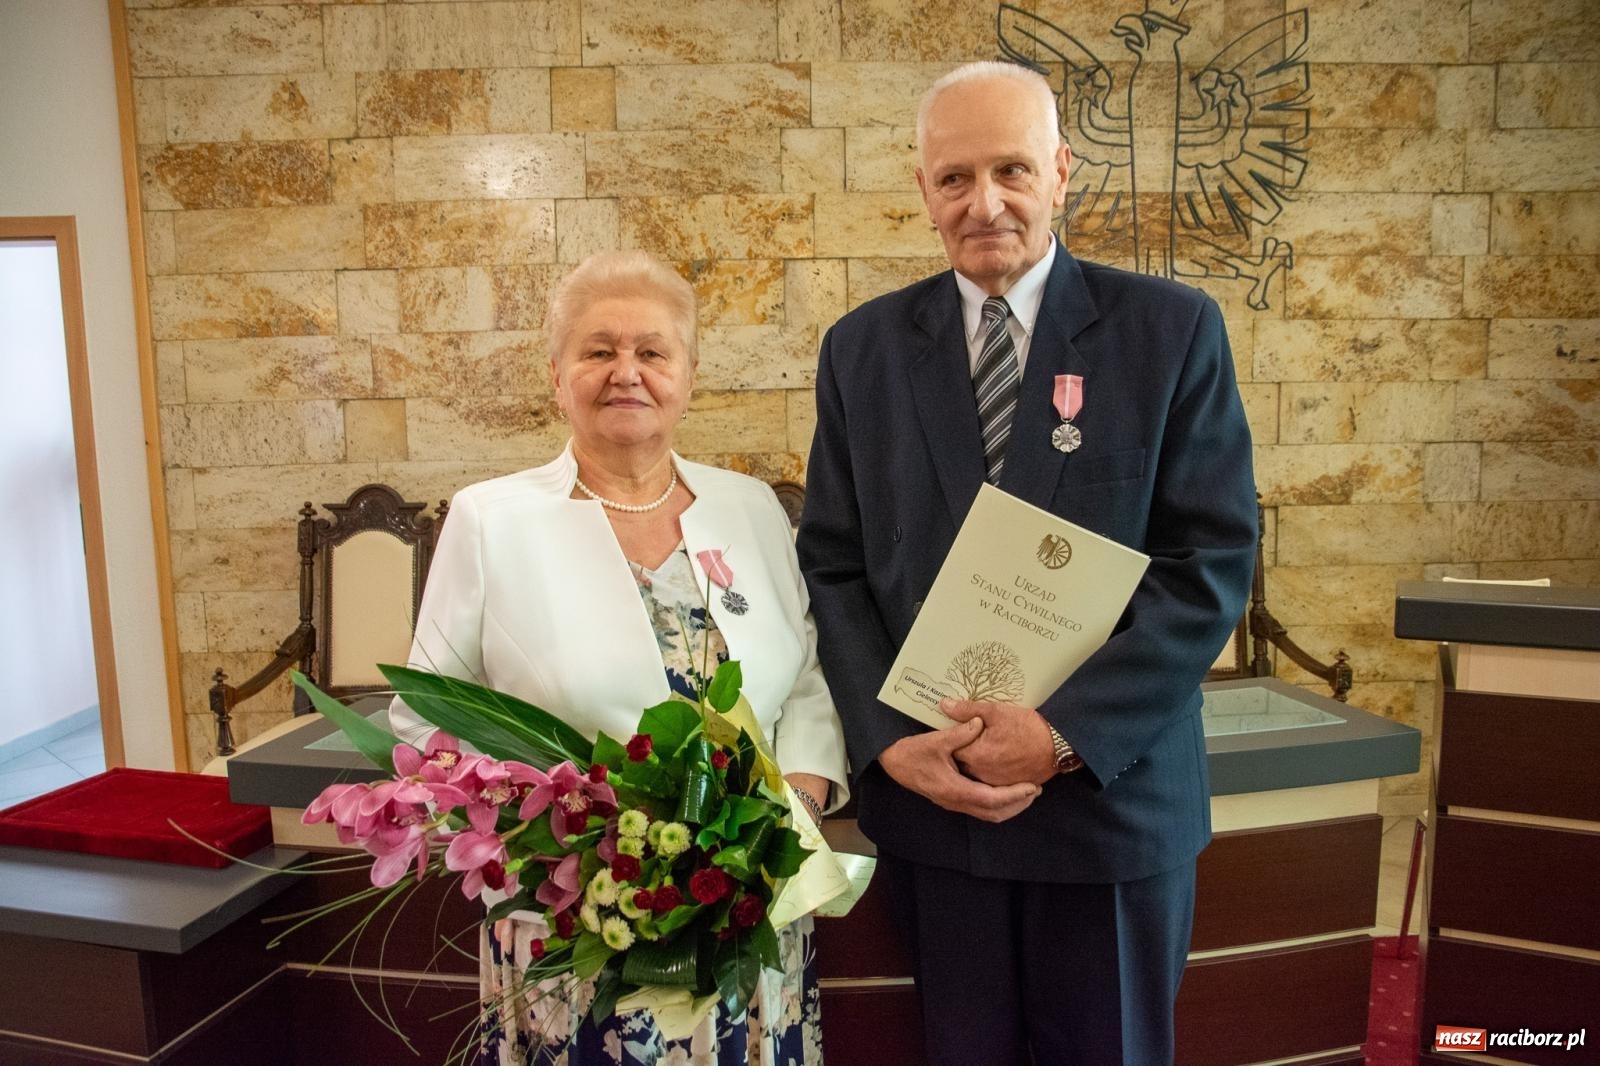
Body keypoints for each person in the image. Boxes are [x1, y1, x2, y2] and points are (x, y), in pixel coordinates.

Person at [795, 62, 1257, 1065]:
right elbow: (831, 565)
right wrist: (886, 743)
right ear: (923, 191)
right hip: (937, 809)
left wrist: (1061, 735)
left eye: (1010, 169)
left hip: (1108, 809)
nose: (985, 202)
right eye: (954, 177)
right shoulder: (861, 351)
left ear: (1060, 172)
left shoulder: (1171, 330)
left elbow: (1208, 562)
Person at [392, 249, 848, 1066]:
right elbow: (428, 720)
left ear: (689, 375)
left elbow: (806, 678)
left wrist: (797, 808)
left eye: (652, 351)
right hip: (579, 928)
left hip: (746, 911)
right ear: (556, 374)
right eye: (598, 350)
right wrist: (556, 843)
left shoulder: (750, 508)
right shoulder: (491, 521)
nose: (625, 372)